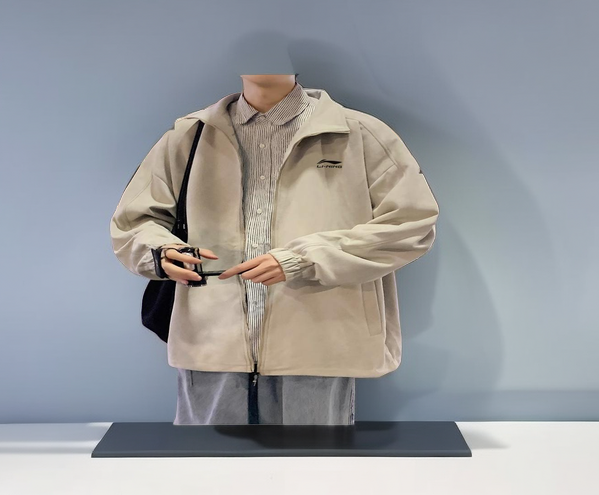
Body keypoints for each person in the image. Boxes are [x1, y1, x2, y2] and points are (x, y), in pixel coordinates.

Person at [110, 73, 440, 426]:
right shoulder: (190, 135)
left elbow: (412, 222)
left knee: (311, 461)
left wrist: (303, 259)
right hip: (210, 342)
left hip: (319, 341)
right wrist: (160, 251)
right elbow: (133, 222)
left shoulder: (358, 133)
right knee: (207, 459)